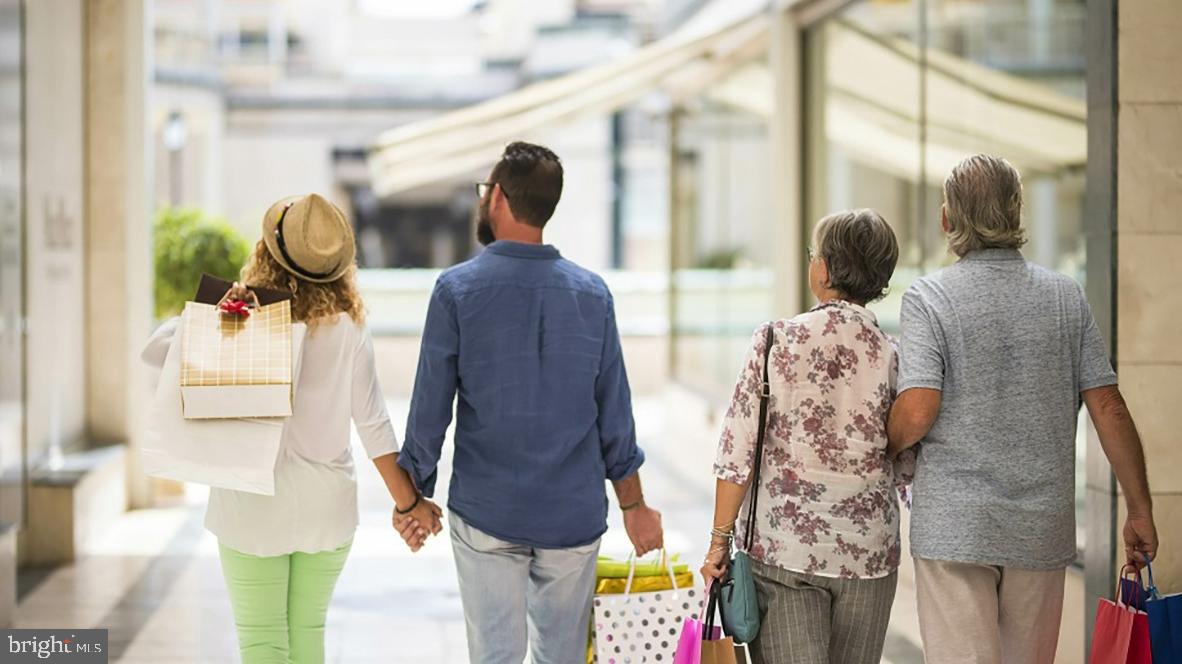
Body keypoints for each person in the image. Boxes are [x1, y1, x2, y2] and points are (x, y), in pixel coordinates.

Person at [395, 141, 664, 664]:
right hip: (572, 517)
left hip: (487, 512)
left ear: (496, 196)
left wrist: (413, 499)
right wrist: (634, 505)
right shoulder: (593, 295)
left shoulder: (456, 291)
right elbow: (615, 416)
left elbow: (430, 410)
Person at [142, 193, 440, 664]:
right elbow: (373, 424)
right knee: (307, 639)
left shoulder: (246, 317)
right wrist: (409, 503)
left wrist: (217, 313)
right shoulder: (348, 324)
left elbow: (157, 352)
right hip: (327, 508)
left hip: (252, 505)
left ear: (268, 252)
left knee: (263, 646)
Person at [887, 154, 1158, 664]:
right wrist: (1139, 509)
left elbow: (919, 407)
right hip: (1040, 527)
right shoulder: (1065, 296)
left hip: (955, 528)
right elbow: (1109, 407)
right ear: (1016, 212)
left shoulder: (928, 297)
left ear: (947, 220)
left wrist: (881, 443)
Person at [702, 209, 911, 664]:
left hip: (784, 552)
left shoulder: (776, 341)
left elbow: (738, 453)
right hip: (867, 556)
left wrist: (719, 542)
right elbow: (908, 465)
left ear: (825, 269)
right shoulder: (897, 357)